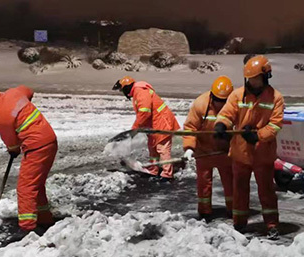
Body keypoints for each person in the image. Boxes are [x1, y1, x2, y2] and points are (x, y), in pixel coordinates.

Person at [0, 82, 58, 234]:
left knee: (25, 188)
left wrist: (13, 150)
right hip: (50, 140)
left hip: (36, 146)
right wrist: (22, 108)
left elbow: (11, 142)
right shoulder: (14, 92)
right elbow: (29, 90)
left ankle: (27, 228)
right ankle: (44, 219)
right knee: (36, 185)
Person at [214, 55, 284, 239]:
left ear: (266, 76)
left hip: (263, 154)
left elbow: (275, 125)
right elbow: (227, 114)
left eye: (256, 79)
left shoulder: (276, 98)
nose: (253, 82)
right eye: (250, 79)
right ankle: (239, 223)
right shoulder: (237, 95)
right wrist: (221, 124)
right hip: (241, 153)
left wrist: (258, 136)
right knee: (239, 190)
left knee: (267, 191)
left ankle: (271, 224)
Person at [182, 76, 234, 220]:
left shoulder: (235, 105)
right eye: (218, 100)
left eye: (224, 101)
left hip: (225, 152)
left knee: (231, 183)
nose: (220, 103)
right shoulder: (201, 104)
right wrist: (189, 147)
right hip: (204, 152)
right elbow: (190, 127)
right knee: (204, 184)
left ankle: (234, 209)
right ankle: (205, 212)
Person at [113, 76, 179, 180]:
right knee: (152, 147)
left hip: (163, 122)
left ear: (126, 88)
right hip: (153, 125)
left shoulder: (140, 91)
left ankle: (167, 174)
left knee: (162, 148)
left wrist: (135, 128)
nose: (122, 93)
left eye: (122, 90)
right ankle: (154, 169)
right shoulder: (137, 92)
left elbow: (144, 112)